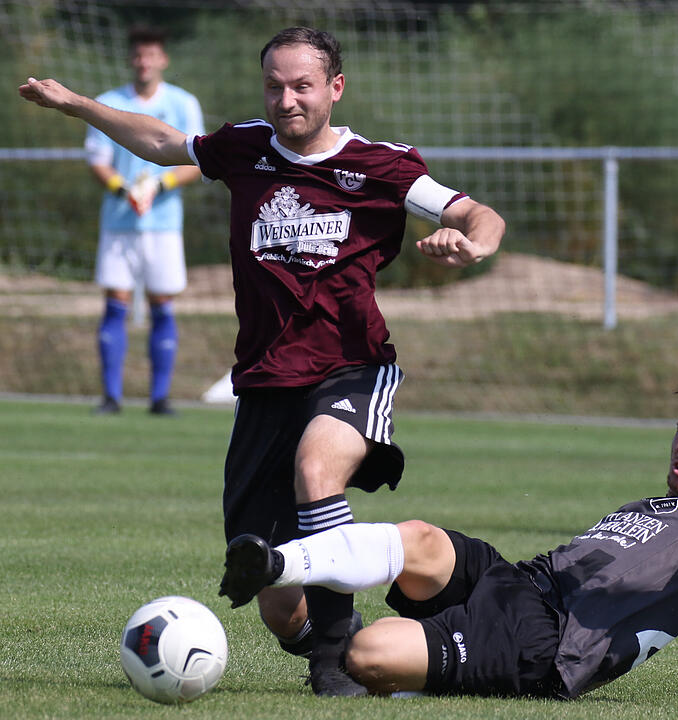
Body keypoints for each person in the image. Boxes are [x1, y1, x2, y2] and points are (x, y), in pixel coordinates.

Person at [18, 26, 506, 695]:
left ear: (334, 88)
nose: (286, 99)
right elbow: (162, 143)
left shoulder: (378, 165)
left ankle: (338, 663)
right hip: (265, 380)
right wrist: (78, 104)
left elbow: (476, 212)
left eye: (301, 85)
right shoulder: (244, 148)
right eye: (274, 85)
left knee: (317, 464)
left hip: (352, 365)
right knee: (277, 602)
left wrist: (471, 243)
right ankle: (345, 641)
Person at [218, 350, 678, 698]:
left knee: (369, 656)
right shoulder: (661, 506)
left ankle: (322, 626)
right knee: (422, 540)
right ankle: (280, 562)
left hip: (545, 644)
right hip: (522, 582)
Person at [85, 25, 204, 415]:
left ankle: (159, 398)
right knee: (115, 302)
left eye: (150, 54)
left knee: (162, 304)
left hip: (164, 224)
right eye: (138, 55)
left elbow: (198, 162)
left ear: (163, 59)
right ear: (130, 59)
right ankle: (111, 398)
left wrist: (159, 184)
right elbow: (98, 161)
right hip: (119, 221)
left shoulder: (184, 103)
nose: (144, 61)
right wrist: (125, 189)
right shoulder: (108, 102)